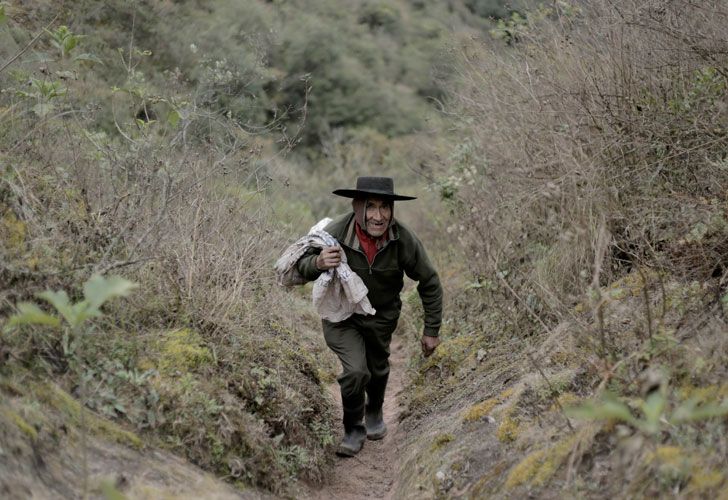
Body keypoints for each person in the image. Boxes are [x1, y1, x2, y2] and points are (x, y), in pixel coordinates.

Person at [295, 176, 443, 457]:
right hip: (342, 315)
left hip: (382, 315)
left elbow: (430, 281)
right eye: (371, 207)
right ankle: (353, 428)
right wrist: (317, 262)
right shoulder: (335, 232)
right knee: (355, 371)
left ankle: (374, 411)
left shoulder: (403, 239)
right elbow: (300, 265)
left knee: (377, 368)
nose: (379, 216)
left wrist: (431, 329)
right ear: (357, 207)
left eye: (385, 207)